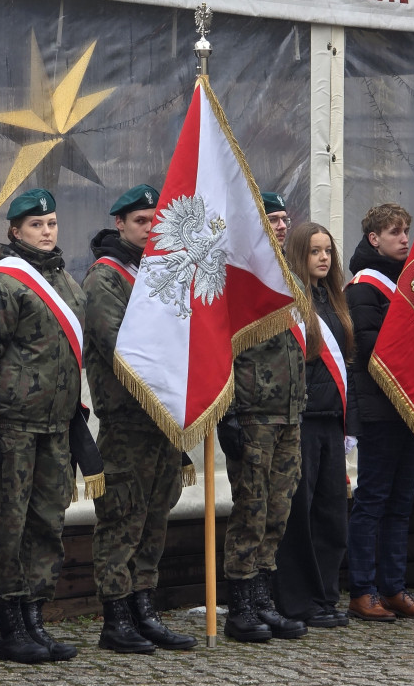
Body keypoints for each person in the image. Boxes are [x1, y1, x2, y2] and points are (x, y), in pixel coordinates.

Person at [0, 188, 85, 664]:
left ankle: (35, 620)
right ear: (15, 231)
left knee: (48, 523)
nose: (47, 232)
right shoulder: (2, 285)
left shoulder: (64, 281)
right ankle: (10, 627)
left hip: (56, 425)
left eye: (52, 223)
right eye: (37, 225)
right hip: (13, 425)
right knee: (8, 526)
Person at [85, 185, 196, 653]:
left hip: (164, 418)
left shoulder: (163, 272)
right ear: (121, 225)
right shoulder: (106, 277)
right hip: (128, 417)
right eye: (141, 222)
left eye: (156, 221)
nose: (151, 230)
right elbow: (119, 347)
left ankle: (143, 607)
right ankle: (116, 616)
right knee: (122, 518)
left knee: (156, 516)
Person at [217, 191, 307, 643]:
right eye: (272, 219)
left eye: (285, 219)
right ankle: (240, 607)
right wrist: (227, 413)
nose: (282, 226)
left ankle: (264, 598)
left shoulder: (288, 275)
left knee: (278, 509)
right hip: (253, 414)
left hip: (288, 413)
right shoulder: (240, 277)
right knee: (250, 510)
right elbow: (223, 349)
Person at [345, 203, 414, 622]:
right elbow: (368, 347)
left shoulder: (410, 281)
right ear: (374, 239)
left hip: (411, 406)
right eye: (395, 232)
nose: (405, 238)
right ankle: (363, 590)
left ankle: (394, 587)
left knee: (401, 503)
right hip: (381, 407)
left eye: (406, 230)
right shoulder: (364, 287)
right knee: (372, 501)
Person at [274, 222, 357, 628]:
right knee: (299, 516)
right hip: (302, 420)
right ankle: (298, 600)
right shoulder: (289, 302)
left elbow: (350, 367)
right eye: (315, 251)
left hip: (332, 422)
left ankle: (325, 596)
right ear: (298, 256)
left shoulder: (334, 300)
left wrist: (350, 423)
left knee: (331, 515)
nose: (324, 258)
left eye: (328, 251)